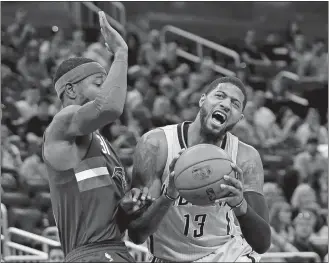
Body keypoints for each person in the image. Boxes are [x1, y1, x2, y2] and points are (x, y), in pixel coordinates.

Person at [43, 11, 149, 262]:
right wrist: (121, 52)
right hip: (90, 254)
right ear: (70, 89)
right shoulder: (62, 122)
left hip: (116, 250)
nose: (107, 89)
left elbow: (114, 222)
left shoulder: (104, 145)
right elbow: (109, 107)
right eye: (99, 83)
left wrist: (128, 208)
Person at [128, 76, 271, 262]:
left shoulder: (245, 157)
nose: (226, 105)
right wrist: (168, 196)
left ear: (240, 118)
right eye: (220, 96)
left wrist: (240, 204)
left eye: (235, 104)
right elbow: (136, 234)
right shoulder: (156, 145)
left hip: (225, 254)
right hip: (166, 256)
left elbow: (262, 243)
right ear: (202, 99)